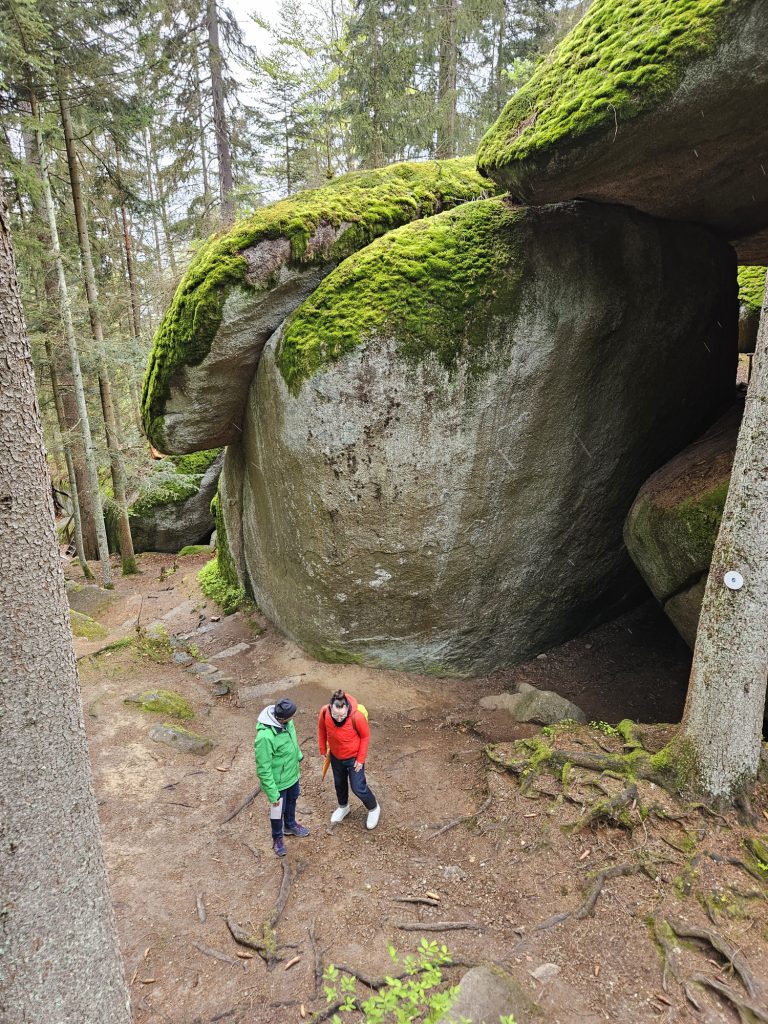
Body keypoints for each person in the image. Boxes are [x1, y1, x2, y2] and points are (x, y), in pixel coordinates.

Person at [318, 689, 380, 830]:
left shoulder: (357, 717)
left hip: (353, 758)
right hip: (335, 756)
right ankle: (343, 807)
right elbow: (322, 729)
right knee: (339, 784)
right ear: (330, 707)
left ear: (347, 709)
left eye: (342, 715)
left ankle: (373, 807)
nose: (338, 719)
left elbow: (365, 737)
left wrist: (360, 759)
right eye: (335, 715)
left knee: (358, 787)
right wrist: (322, 747)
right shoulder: (324, 712)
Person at [255, 697, 309, 857]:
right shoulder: (265, 737)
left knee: (293, 800)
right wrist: (273, 794)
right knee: (277, 811)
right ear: (283, 718)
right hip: (278, 783)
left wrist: (298, 755)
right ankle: (277, 837)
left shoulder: (287, 723)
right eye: (292, 715)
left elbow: (292, 740)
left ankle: (290, 825)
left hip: (292, 775)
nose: (294, 718)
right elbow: (263, 769)